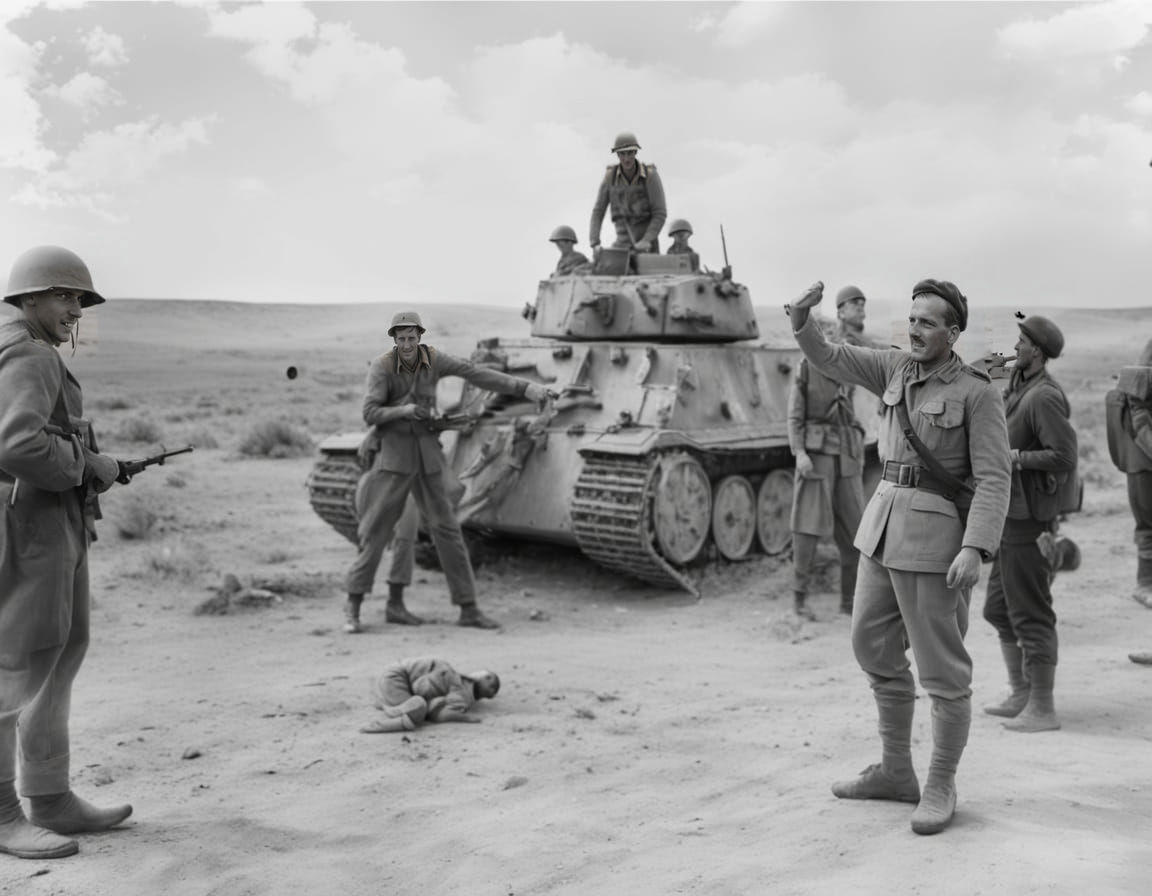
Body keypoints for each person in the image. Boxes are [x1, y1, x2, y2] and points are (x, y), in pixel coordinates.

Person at [787, 278, 1011, 836]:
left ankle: (940, 783)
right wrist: (801, 322)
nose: (915, 329)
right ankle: (894, 772)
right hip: (881, 530)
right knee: (870, 645)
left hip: (935, 545)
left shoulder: (977, 392)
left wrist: (975, 547)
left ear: (952, 333)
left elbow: (993, 477)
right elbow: (830, 357)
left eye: (927, 322)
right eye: (911, 319)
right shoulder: (892, 368)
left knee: (942, 671)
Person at [0, 246, 133, 860]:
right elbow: (19, 446)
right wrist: (90, 465)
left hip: (51, 522)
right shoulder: (28, 354)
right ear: (28, 297)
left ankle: (50, 796)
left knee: (60, 653)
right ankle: (4, 814)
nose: (76, 309)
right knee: (18, 664)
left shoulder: (29, 349)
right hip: (30, 524)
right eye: (64, 295)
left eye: (79, 299)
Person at [344, 311, 554, 633]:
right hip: (395, 458)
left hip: (428, 457)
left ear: (419, 336)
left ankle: (468, 608)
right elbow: (370, 412)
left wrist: (526, 389)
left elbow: (476, 374)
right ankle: (354, 605)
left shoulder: (433, 360)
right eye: (401, 339)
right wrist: (404, 410)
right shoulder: (383, 367)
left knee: (448, 530)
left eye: (412, 338)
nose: (407, 344)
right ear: (394, 339)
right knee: (377, 531)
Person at [981, 316, 1076, 733]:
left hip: (1031, 519)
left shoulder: (1044, 397)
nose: (1015, 347)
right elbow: (984, 374)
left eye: (1021, 342)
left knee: (1031, 613)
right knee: (997, 609)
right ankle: (1021, 692)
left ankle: (1042, 706)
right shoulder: (1019, 386)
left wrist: (1017, 458)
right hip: (1010, 514)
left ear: (1037, 350)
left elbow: (1064, 455)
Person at [786, 285, 871, 619]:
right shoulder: (806, 367)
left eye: (838, 335)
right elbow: (794, 415)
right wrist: (799, 452)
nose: (835, 338)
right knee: (806, 528)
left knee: (855, 532)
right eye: (829, 333)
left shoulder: (848, 364)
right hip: (816, 455)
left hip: (847, 456)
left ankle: (850, 603)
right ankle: (798, 601)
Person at [360, 657, 500, 733]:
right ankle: (392, 716)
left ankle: (387, 704)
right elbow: (439, 714)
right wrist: (467, 718)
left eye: (487, 676)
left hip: (389, 674)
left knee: (417, 704)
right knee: (418, 708)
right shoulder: (459, 689)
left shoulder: (459, 687)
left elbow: (440, 712)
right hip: (395, 679)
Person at [589, 131, 667, 254]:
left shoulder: (650, 175)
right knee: (602, 263)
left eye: (630, 153)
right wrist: (595, 243)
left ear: (635, 152)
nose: (626, 158)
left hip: (647, 246)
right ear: (617, 154)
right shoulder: (610, 177)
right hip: (622, 244)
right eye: (622, 154)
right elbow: (598, 212)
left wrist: (646, 240)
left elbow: (660, 213)